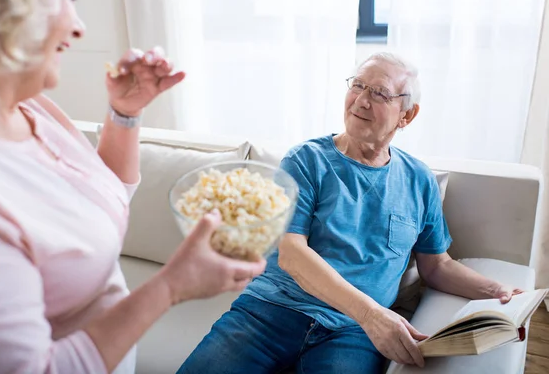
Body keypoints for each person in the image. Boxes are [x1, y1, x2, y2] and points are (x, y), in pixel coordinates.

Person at [0, 0, 265, 373]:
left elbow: (97, 201)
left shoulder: (31, 107)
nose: (79, 26)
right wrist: (171, 287)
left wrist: (125, 113)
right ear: (0, 10)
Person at [178, 52, 524, 374]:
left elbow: (437, 266)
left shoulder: (419, 180)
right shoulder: (305, 161)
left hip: (352, 333)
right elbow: (291, 253)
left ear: (407, 114)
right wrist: (373, 314)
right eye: (357, 85)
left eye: (379, 93)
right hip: (271, 311)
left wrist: (498, 292)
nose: (361, 99)